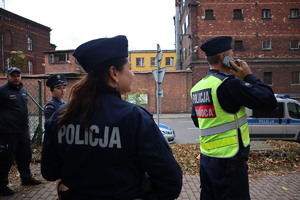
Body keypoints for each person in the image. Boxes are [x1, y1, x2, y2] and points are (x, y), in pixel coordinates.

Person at [41, 35, 182, 200]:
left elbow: (49, 171)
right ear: (114, 72)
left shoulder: (61, 115)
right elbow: (171, 182)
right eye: (129, 68)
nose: (133, 75)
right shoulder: (135, 117)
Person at [190, 36, 277, 200]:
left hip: (207, 161)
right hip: (230, 162)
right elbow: (269, 101)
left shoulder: (198, 87)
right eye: (232, 55)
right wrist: (249, 77)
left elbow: (197, 120)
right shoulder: (229, 84)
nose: (235, 59)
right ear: (224, 58)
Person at [0, 67, 41, 197]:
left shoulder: (22, 90)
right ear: (7, 77)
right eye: (13, 75)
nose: (16, 77)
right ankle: (1, 186)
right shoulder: (2, 91)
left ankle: (26, 178)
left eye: (18, 75)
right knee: (6, 160)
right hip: (8, 132)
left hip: (23, 130)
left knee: (25, 156)